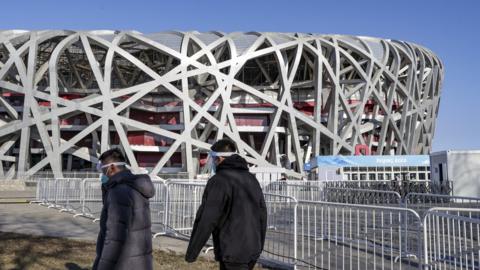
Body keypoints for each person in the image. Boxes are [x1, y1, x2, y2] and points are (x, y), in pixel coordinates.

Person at [185, 139, 268, 270]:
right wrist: (259, 245)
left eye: (213, 158)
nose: (212, 162)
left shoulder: (219, 181)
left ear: (220, 158)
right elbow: (262, 214)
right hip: (251, 249)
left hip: (232, 250)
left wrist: (192, 252)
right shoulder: (251, 179)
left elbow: (207, 218)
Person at [92, 148, 155, 270]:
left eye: (103, 170)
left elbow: (114, 238)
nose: (102, 175)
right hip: (139, 261)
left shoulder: (119, 192)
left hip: (123, 263)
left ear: (112, 168)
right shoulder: (136, 187)